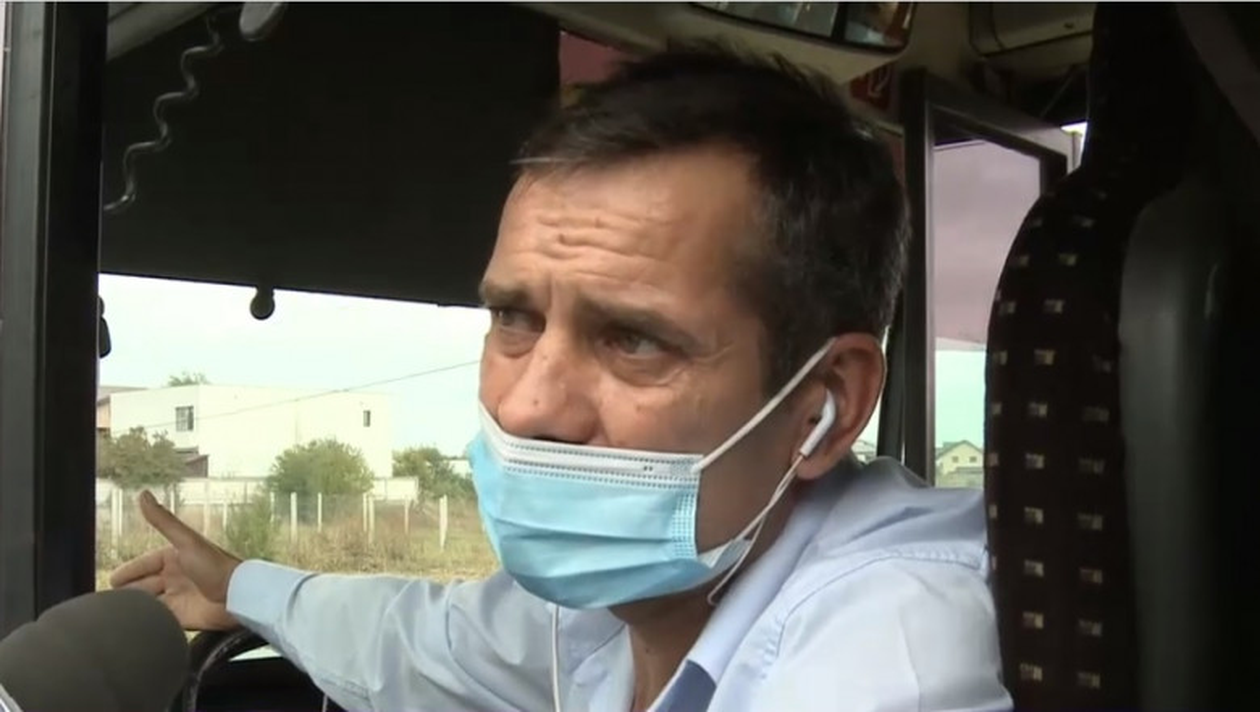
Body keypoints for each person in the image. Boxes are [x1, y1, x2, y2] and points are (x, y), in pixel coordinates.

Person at [111, 42, 1011, 712]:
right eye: (515, 318)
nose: (527, 404)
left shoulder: (895, 646)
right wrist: (241, 589)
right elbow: (421, 638)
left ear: (826, 408)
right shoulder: (623, 605)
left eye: (633, 340)